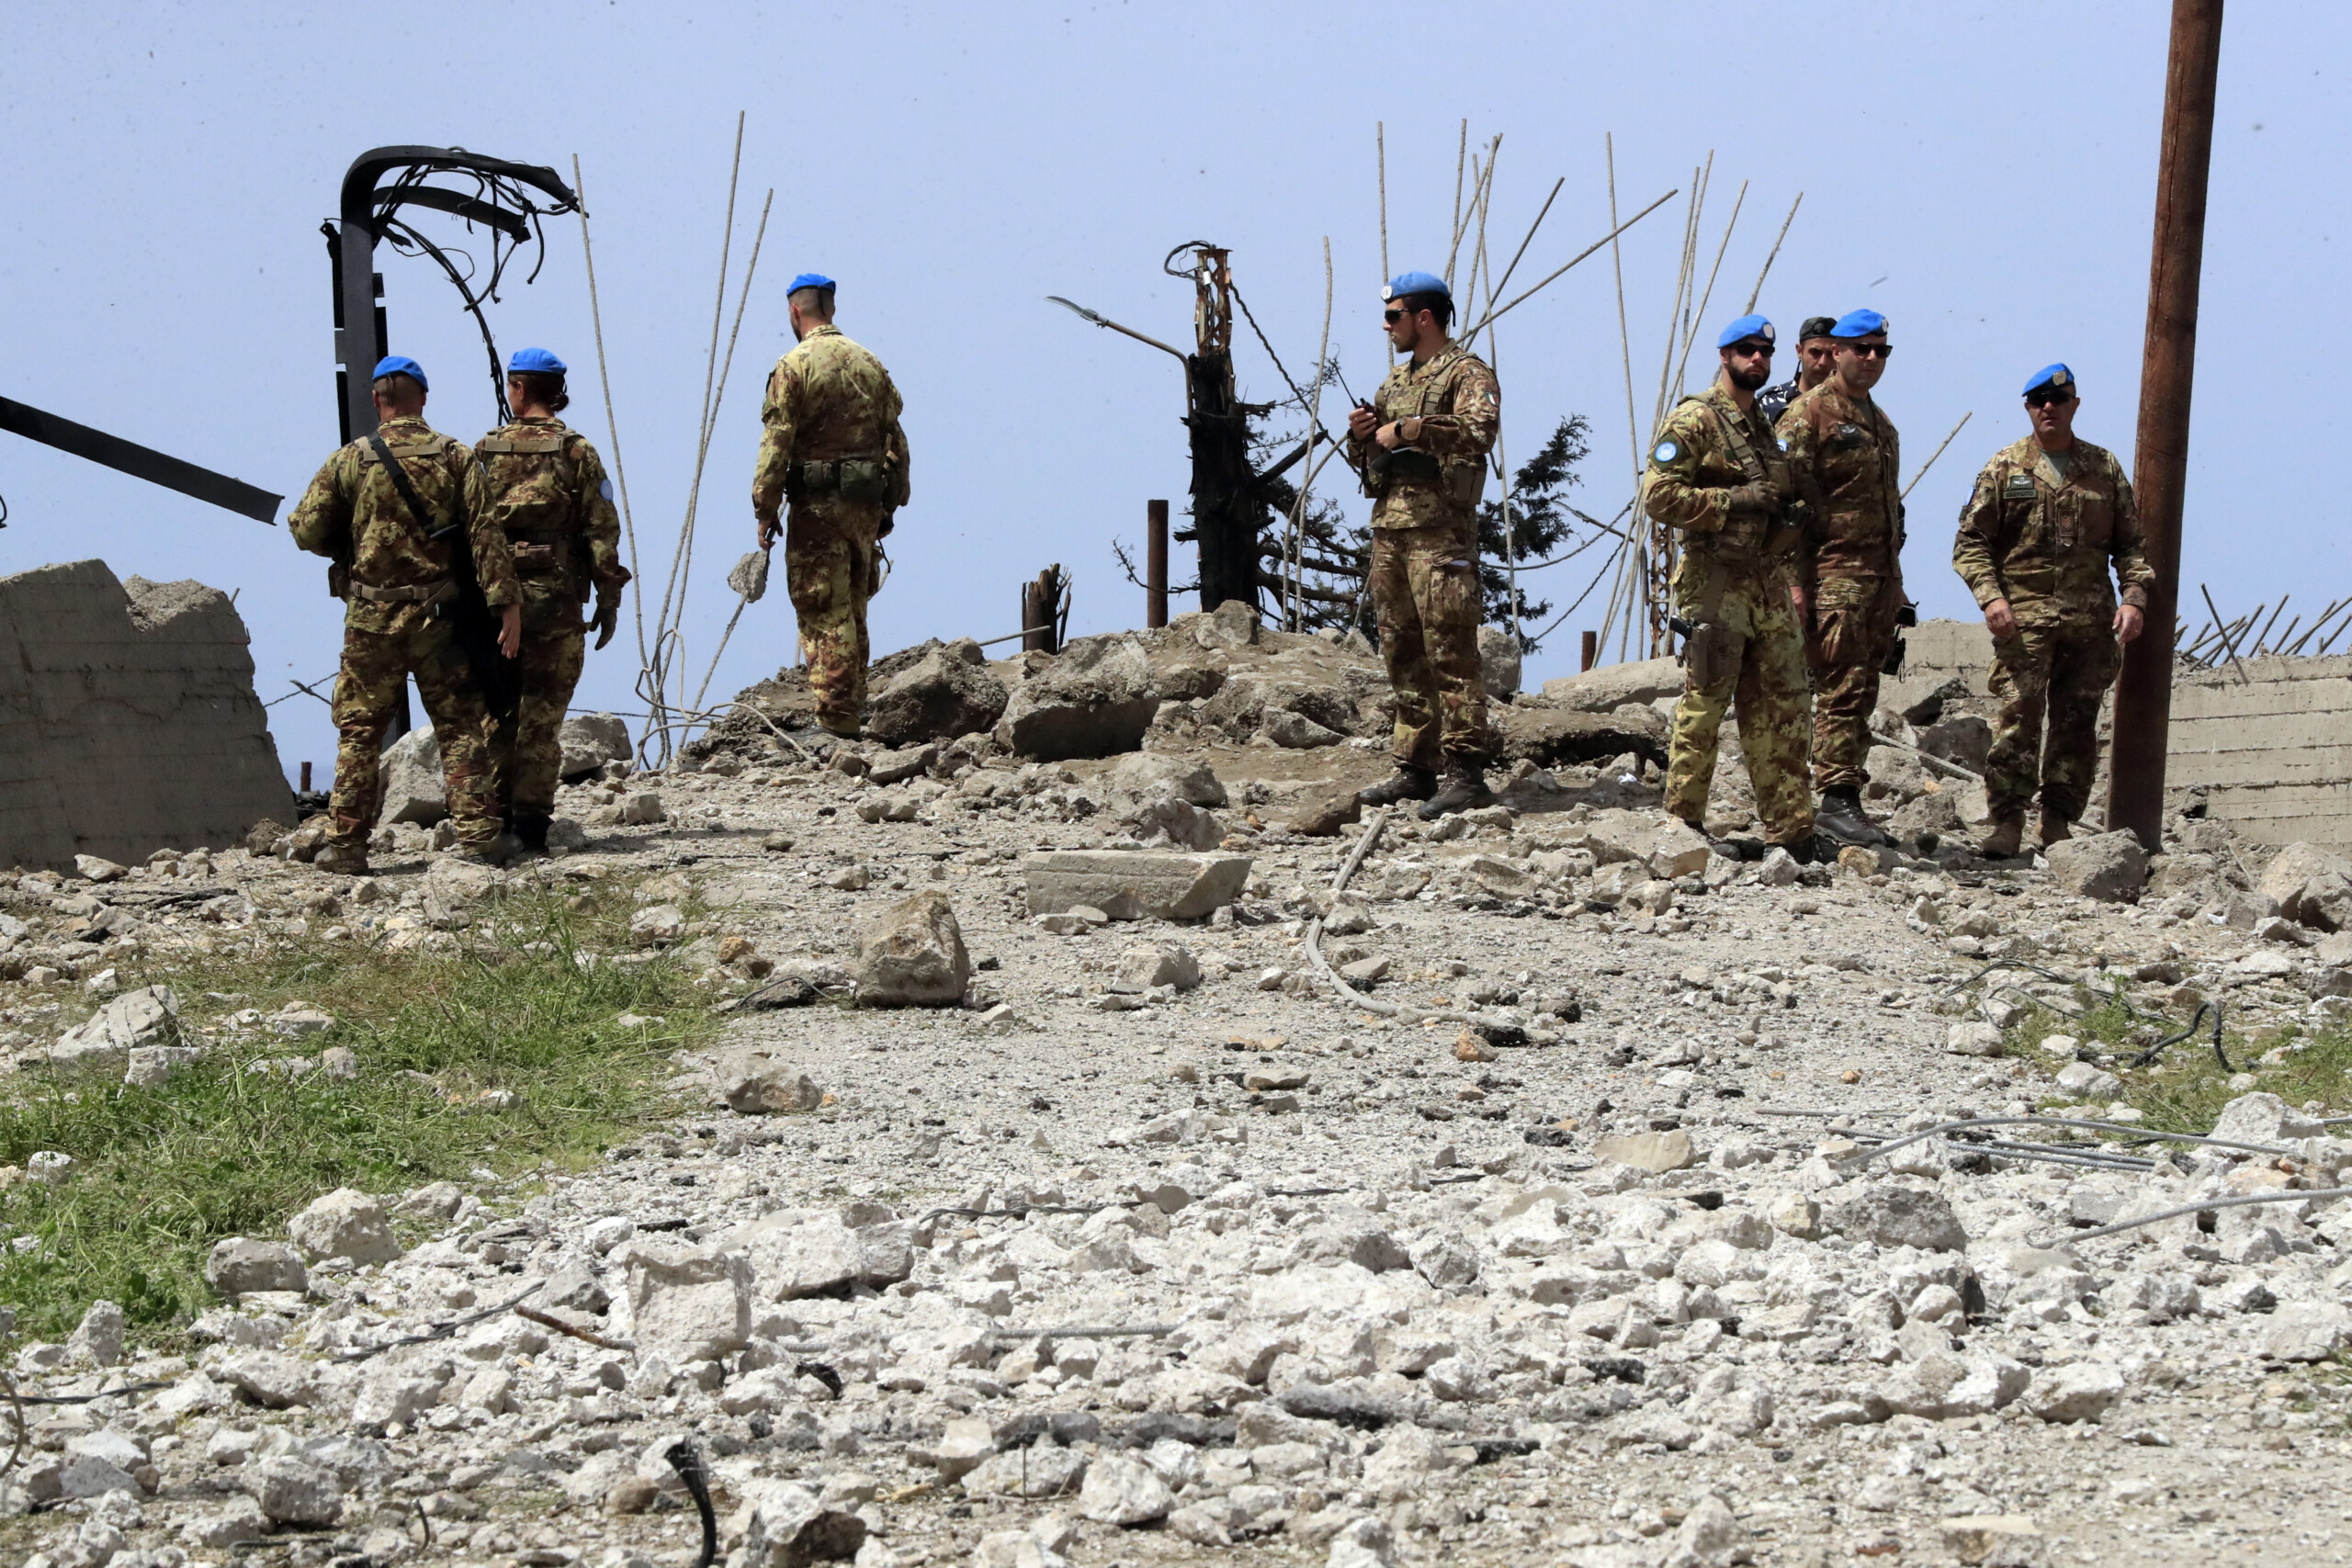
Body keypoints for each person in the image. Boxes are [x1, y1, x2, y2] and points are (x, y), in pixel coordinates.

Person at [289, 356, 520, 872]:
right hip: (439, 618)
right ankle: (481, 840)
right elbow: (487, 535)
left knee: (359, 733)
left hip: (371, 620)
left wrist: (350, 541)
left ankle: (346, 848)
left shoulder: (351, 460)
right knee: (460, 726)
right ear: (423, 398)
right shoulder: (454, 456)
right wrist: (507, 606)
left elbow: (304, 530)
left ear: (377, 399)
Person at [1952, 364, 2154, 857]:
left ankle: (2058, 821)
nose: (2049, 407)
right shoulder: (2005, 467)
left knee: (2077, 722)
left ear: (2074, 406)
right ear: (2027, 407)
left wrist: (2134, 599)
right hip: (2024, 622)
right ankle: (2007, 823)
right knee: (2019, 716)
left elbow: (2132, 546)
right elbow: (1970, 543)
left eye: (2058, 399)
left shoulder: (2103, 469)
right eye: (2039, 399)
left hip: (2090, 625)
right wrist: (1991, 597)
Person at [1642, 315, 1816, 857]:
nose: (1757, 359)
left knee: (1784, 707)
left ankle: (1790, 832)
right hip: (1714, 584)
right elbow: (1658, 496)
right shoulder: (1696, 420)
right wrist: (1731, 502)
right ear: (1724, 355)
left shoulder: (1763, 426)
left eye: (1764, 351)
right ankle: (1683, 824)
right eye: (1746, 350)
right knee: (1706, 705)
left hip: (1766, 583)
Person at [1345, 270, 1502, 819]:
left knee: (1450, 652)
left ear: (1424, 318)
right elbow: (1368, 463)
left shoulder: (1466, 372)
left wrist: (1411, 431)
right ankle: (1415, 766)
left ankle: (1466, 772)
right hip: (1391, 528)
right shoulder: (1395, 382)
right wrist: (1363, 437)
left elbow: (1480, 430)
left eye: (1394, 317)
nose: (1387, 326)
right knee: (1401, 649)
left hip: (1441, 534)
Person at [474, 347, 632, 854]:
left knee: (496, 712)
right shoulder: (576, 452)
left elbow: (466, 530)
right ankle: (532, 826)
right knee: (541, 716)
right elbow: (602, 531)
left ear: (517, 388)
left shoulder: (484, 451)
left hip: (493, 604)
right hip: (556, 601)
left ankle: (491, 820)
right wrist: (608, 600)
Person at [751, 273, 910, 739]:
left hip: (817, 509)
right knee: (855, 607)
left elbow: (776, 444)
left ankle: (836, 719)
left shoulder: (794, 365)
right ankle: (851, 708)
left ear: (795, 311)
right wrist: (889, 506)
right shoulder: (870, 363)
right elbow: (895, 441)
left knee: (824, 608)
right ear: (831, 309)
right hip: (863, 506)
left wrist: (765, 506)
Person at [1777, 308, 1905, 847]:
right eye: (1863, 349)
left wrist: (1896, 581)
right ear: (1838, 352)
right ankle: (1834, 799)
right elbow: (1783, 505)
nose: (1873, 358)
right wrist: (1793, 582)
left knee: (1864, 687)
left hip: (1876, 578)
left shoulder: (1881, 423)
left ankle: (1846, 795)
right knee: (1840, 688)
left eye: (1882, 350)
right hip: (1831, 574)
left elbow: (1889, 510)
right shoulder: (1807, 415)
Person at [1757, 316, 1838, 427]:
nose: (1823, 362)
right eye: (1815, 352)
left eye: (1830, 354)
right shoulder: (1769, 403)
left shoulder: (1851, 407)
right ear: (1800, 351)